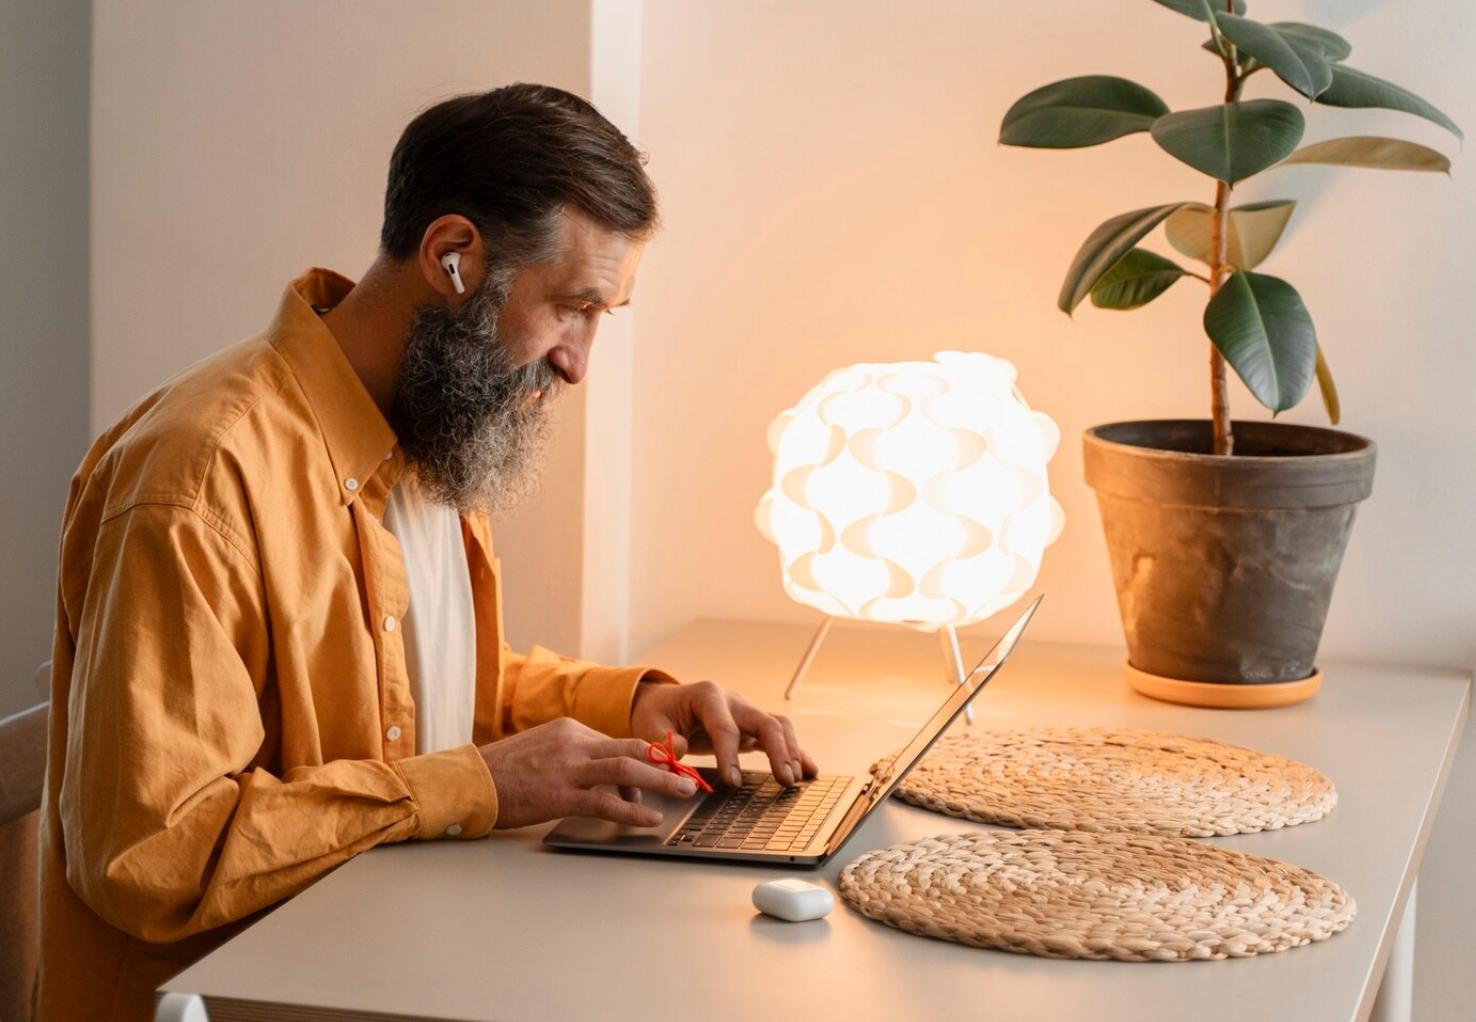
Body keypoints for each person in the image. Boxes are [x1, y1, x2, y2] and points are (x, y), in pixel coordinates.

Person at [34, 82, 817, 1022]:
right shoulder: (199, 480)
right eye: (573, 307)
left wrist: (642, 703)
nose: (579, 361)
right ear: (452, 258)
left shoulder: (432, 425)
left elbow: (421, 701)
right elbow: (152, 854)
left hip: (389, 966)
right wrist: (480, 784)